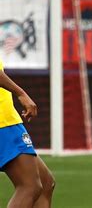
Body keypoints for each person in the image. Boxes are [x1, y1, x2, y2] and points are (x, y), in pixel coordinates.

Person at [0, 59, 55, 207]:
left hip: (7, 120)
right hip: (3, 122)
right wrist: (21, 93)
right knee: (30, 186)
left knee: (46, 183)